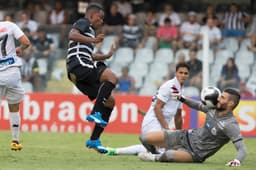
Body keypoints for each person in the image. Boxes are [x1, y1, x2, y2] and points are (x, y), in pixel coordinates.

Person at [138, 88, 247, 167]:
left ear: (231, 103)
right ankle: (155, 153)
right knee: (144, 138)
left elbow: (242, 149)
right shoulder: (212, 109)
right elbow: (196, 105)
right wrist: (181, 98)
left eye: (222, 98)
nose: (218, 99)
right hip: (184, 136)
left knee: (168, 155)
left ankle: (155, 158)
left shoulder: (230, 124)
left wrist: (237, 161)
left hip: (194, 154)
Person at [105, 63, 190, 156]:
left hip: (160, 125)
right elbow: (157, 107)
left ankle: (115, 151)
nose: (183, 75)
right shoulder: (170, 86)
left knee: (161, 150)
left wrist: (179, 135)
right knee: (164, 152)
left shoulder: (181, 91)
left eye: (185, 73)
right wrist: (166, 129)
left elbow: (178, 116)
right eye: (180, 72)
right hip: (153, 123)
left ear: (188, 75)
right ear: (175, 73)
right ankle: (117, 151)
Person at [66, 4, 118, 154]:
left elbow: (89, 55)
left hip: (77, 72)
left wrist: (106, 56)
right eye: (100, 17)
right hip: (78, 65)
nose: (101, 21)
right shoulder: (84, 23)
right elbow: (72, 35)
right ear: (92, 15)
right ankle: (96, 112)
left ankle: (94, 139)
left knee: (110, 101)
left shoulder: (89, 34)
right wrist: (94, 40)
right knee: (112, 77)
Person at [0, 21, 31, 150]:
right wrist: (20, 49)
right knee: (14, 107)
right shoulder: (10, 25)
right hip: (12, 72)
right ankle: (15, 141)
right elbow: (26, 42)